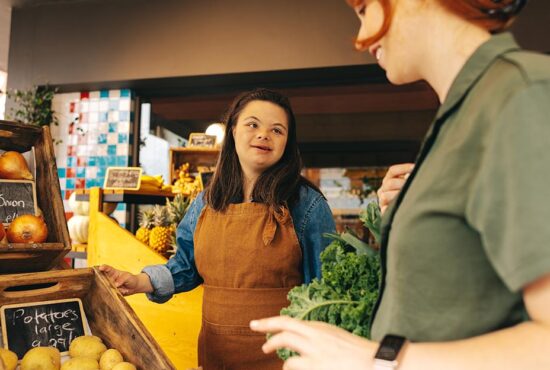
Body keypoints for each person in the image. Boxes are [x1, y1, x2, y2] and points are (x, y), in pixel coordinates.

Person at [251, 0, 550, 369]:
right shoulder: (462, 114)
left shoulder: (522, 94)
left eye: (363, 10)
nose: (360, 38)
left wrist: (379, 361)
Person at [100, 88, 335, 370]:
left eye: (277, 130)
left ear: (287, 143)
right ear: (233, 131)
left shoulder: (307, 204)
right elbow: (187, 266)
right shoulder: (208, 201)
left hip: (286, 358)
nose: (263, 135)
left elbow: (326, 292)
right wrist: (139, 281)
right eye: (253, 124)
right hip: (217, 354)